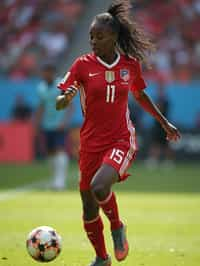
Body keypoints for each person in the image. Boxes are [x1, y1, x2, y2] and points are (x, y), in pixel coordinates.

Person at [56, 1, 181, 265]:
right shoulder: (82, 65)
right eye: (91, 36)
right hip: (90, 144)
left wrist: (164, 122)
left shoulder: (130, 65)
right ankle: (102, 258)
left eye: (99, 36)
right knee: (88, 205)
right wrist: (64, 100)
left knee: (99, 186)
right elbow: (61, 96)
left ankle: (116, 226)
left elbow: (140, 94)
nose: (93, 41)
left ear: (113, 37)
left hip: (121, 139)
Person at [34, 63, 70, 190]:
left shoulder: (61, 84)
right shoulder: (41, 88)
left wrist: (64, 121)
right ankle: (54, 179)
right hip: (47, 124)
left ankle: (60, 181)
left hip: (59, 124)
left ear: (52, 72)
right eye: (43, 72)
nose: (45, 75)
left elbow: (69, 104)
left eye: (47, 72)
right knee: (50, 152)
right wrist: (37, 124)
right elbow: (41, 106)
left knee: (59, 149)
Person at [145, 82, 175, 167]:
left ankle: (169, 161)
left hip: (164, 125)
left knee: (166, 143)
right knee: (155, 143)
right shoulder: (156, 100)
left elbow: (161, 111)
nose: (159, 91)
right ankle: (153, 160)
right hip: (157, 125)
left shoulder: (166, 101)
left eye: (161, 90)